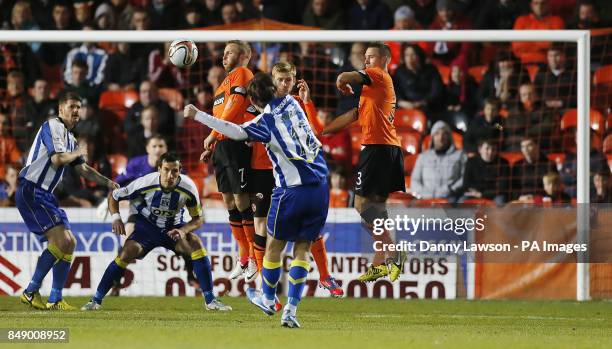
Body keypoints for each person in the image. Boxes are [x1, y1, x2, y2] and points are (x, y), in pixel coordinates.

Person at [185, 72, 329, 328]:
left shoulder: (265, 121)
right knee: (302, 249)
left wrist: (198, 114)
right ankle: (291, 311)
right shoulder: (293, 103)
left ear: (252, 99)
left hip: (292, 191)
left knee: (274, 246)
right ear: (274, 89)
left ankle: (267, 297)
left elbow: (234, 131)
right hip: (320, 187)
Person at [81, 152, 231, 311]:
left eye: (175, 171)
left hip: (173, 229)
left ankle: (210, 301)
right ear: (159, 169)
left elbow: (199, 218)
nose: (170, 175)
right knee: (126, 252)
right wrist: (116, 217)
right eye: (166, 170)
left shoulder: (188, 187)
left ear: (180, 170)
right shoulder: (145, 182)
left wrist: (183, 230)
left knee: (196, 245)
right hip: (146, 228)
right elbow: (115, 195)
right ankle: (95, 300)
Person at [246, 61, 343, 297]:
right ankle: (259, 275)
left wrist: (308, 101)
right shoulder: (259, 107)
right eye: (280, 80)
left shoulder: (295, 104)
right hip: (263, 171)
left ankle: (324, 275)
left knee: (306, 234)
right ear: (272, 81)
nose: (285, 84)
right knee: (262, 229)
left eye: (288, 80)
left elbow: (317, 132)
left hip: (294, 176)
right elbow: (244, 133)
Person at [17, 92, 118, 311]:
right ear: (61, 109)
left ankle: (55, 298)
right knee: (61, 241)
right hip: (31, 190)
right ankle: (30, 291)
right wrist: (78, 152)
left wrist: (109, 183)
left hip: (45, 194)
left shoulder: (69, 139)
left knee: (70, 242)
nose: (75, 111)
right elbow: (57, 158)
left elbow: (83, 170)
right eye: (71, 106)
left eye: (78, 107)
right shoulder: (53, 125)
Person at [323, 42, 406, 283]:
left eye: (370, 57)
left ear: (384, 59)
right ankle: (380, 263)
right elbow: (353, 115)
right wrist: (323, 131)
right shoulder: (375, 90)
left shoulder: (378, 75)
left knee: (361, 205)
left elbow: (347, 74)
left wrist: (341, 79)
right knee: (377, 209)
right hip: (389, 149)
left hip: (377, 149)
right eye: (365, 57)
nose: (366, 61)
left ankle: (393, 252)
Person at [200, 41, 256, 283]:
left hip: (237, 141)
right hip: (223, 146)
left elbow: (236, 107)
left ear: (243, 55)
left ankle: (253, 255)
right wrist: (214, 143)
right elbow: (219, 115)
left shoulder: (243, 74)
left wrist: (213, 134)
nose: (224, 56)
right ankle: (243, 257)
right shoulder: (222, 85)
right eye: (223, 52)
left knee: (242, 199)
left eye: (229, 52)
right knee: (228, 200)